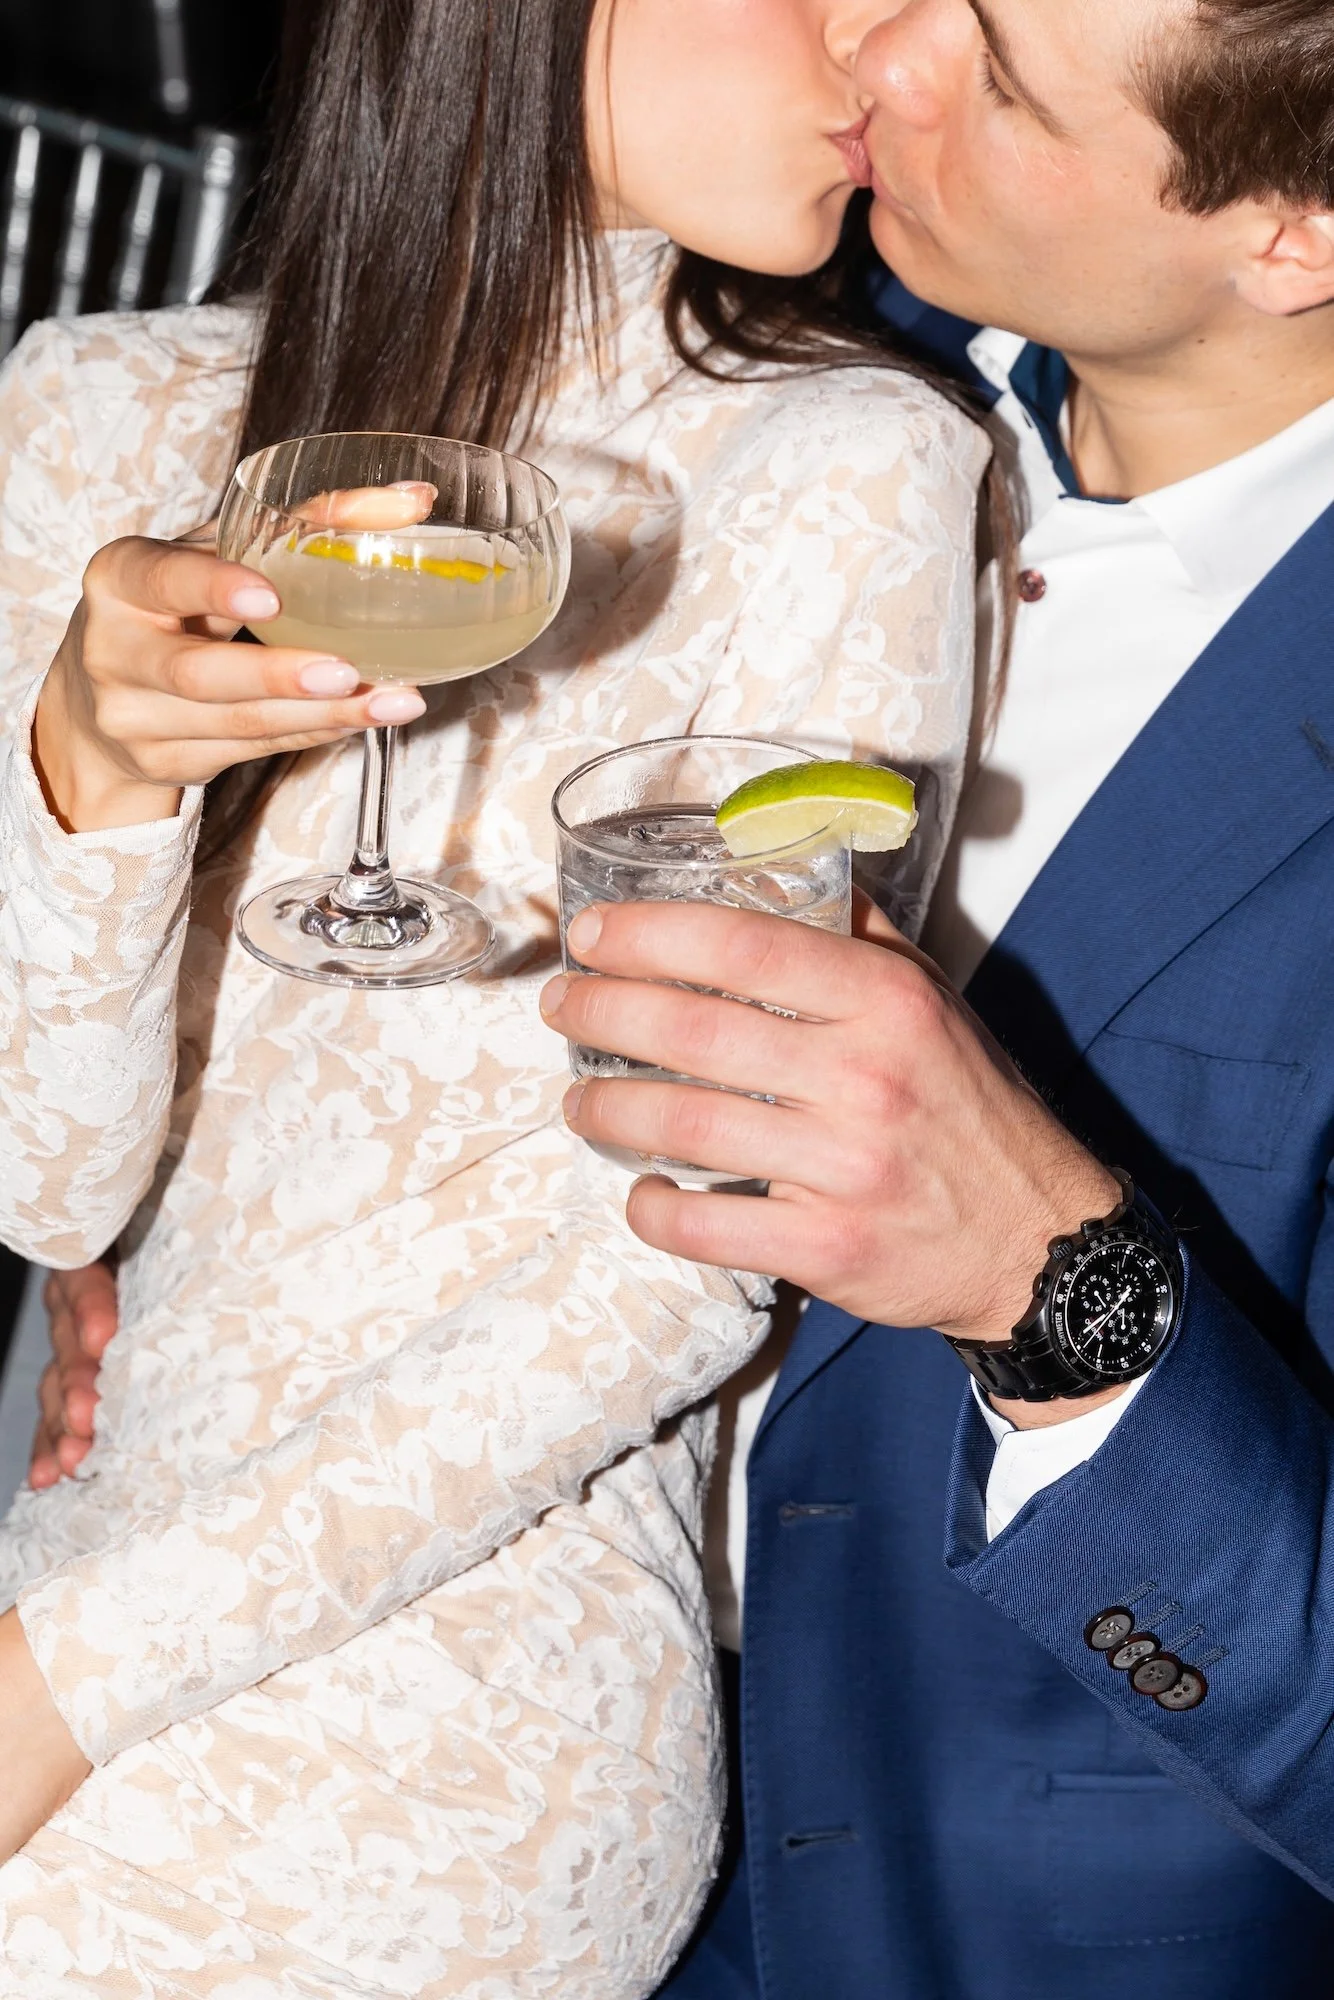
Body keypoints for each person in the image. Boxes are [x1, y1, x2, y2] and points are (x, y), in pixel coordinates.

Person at [0, 2, 991, 1993]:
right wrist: (91, 790)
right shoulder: (96, 409)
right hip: (67, 1568)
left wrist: (58, 1687)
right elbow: (47, 1194)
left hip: (459, 1712)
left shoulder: (855, 463)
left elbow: (689, 1257)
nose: (887, 40)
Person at [537, 0, 1334, 1993]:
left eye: (988, 64)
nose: (866, 50)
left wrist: (1056, 1279)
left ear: (1294, 231)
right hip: (462, 1736)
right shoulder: (743, 359)